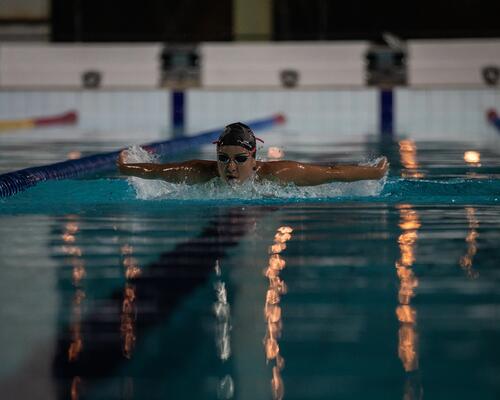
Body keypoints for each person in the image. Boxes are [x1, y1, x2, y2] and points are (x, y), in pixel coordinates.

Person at [117, 122, 389, 186]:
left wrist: (374, 172)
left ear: (254, 159)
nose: (230, 167)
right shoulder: (200, 172)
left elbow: (332, 173)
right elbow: (153, 172)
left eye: (239, 159)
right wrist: (128, 167)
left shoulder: (279, 174)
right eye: (223, 158)